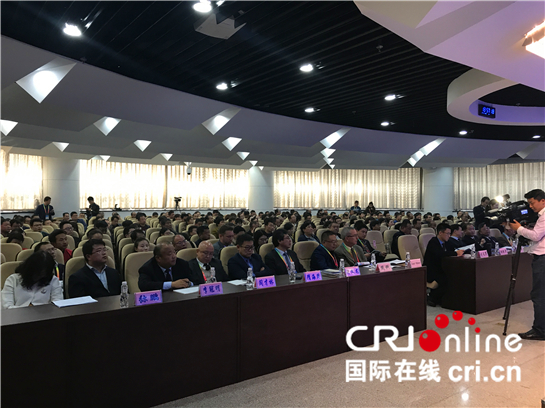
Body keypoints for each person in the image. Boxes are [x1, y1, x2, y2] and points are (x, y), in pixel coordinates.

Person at [510, 189, 545, 341]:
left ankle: (540, 330)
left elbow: (536, 236)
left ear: (542, 201)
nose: (530, 206)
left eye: (532, 203)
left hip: (542, 258)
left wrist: (519, 229)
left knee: (539, 295)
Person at [424, 223, 465, 307]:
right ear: (440, 233)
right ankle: (432, 297)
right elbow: (440, 254)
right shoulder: (433, 242)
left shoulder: (447, 242)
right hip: (431, 270)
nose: (449, 236)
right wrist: (455, 253)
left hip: (442, 267)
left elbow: (452, 250)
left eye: (450, 233)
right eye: (447, 233)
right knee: (445, 278)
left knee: (455, 275)